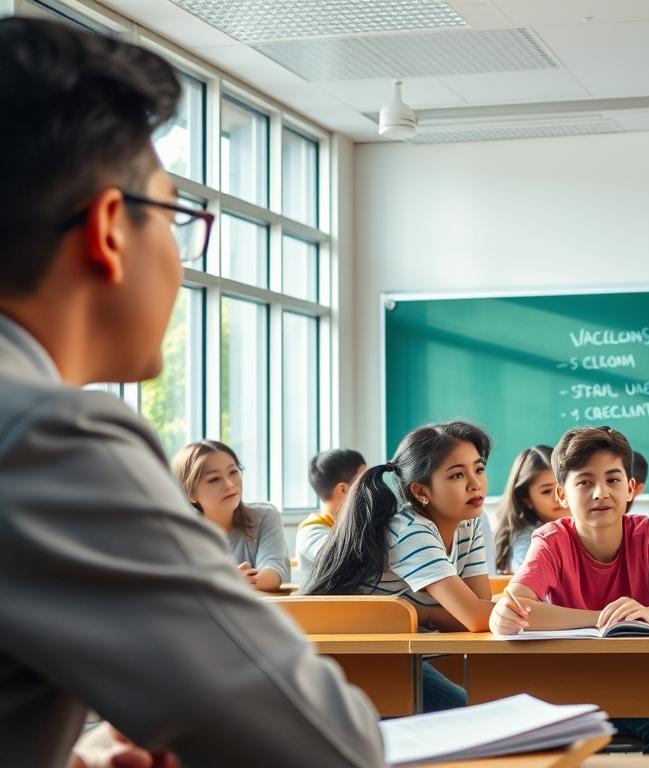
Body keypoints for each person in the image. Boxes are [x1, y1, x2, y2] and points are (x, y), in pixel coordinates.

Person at [0, 17, 380, 766]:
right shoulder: (48, 435)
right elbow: (325, 747)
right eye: (178, 216)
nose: (180, 259)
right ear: (110, 228)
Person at [491, 426, 649, 753]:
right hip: (572, 671)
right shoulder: (551, 540)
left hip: (644, 664)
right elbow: (513, 609)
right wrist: (602, 618)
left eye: (613, 480)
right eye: (584, 482)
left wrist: (645, 614)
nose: (600, 493)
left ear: (631, 489)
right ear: (562, 495)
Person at [304, 421, 497, 710]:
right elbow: (478, 617)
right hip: (354, 655)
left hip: (400, 651)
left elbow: (479, 610)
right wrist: (582, 616)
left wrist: (419, 612)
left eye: (478, 469)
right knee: (473, 715)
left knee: (487, 708)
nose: (475, 483)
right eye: (457, 475)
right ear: (420, 491)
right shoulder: (409, 529)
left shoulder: (469, 522)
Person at [173, 439, 292, 591]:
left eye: (233, 472)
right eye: (214, 479)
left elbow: (272, 577)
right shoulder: (178, 530)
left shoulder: (265, 516)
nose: (229, 484)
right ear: (190, 494)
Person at [492, 444, 563, 573]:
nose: (559, 496)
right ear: (527, 499)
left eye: (562, 486)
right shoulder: (528, 541)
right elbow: (538, 588)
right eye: (547, 491)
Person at [296, 448, 367, 573]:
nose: (372, 487)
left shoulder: (354, 523)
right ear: (343, 490)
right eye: (365, 481)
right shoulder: (311, 531)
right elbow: (344, 560)